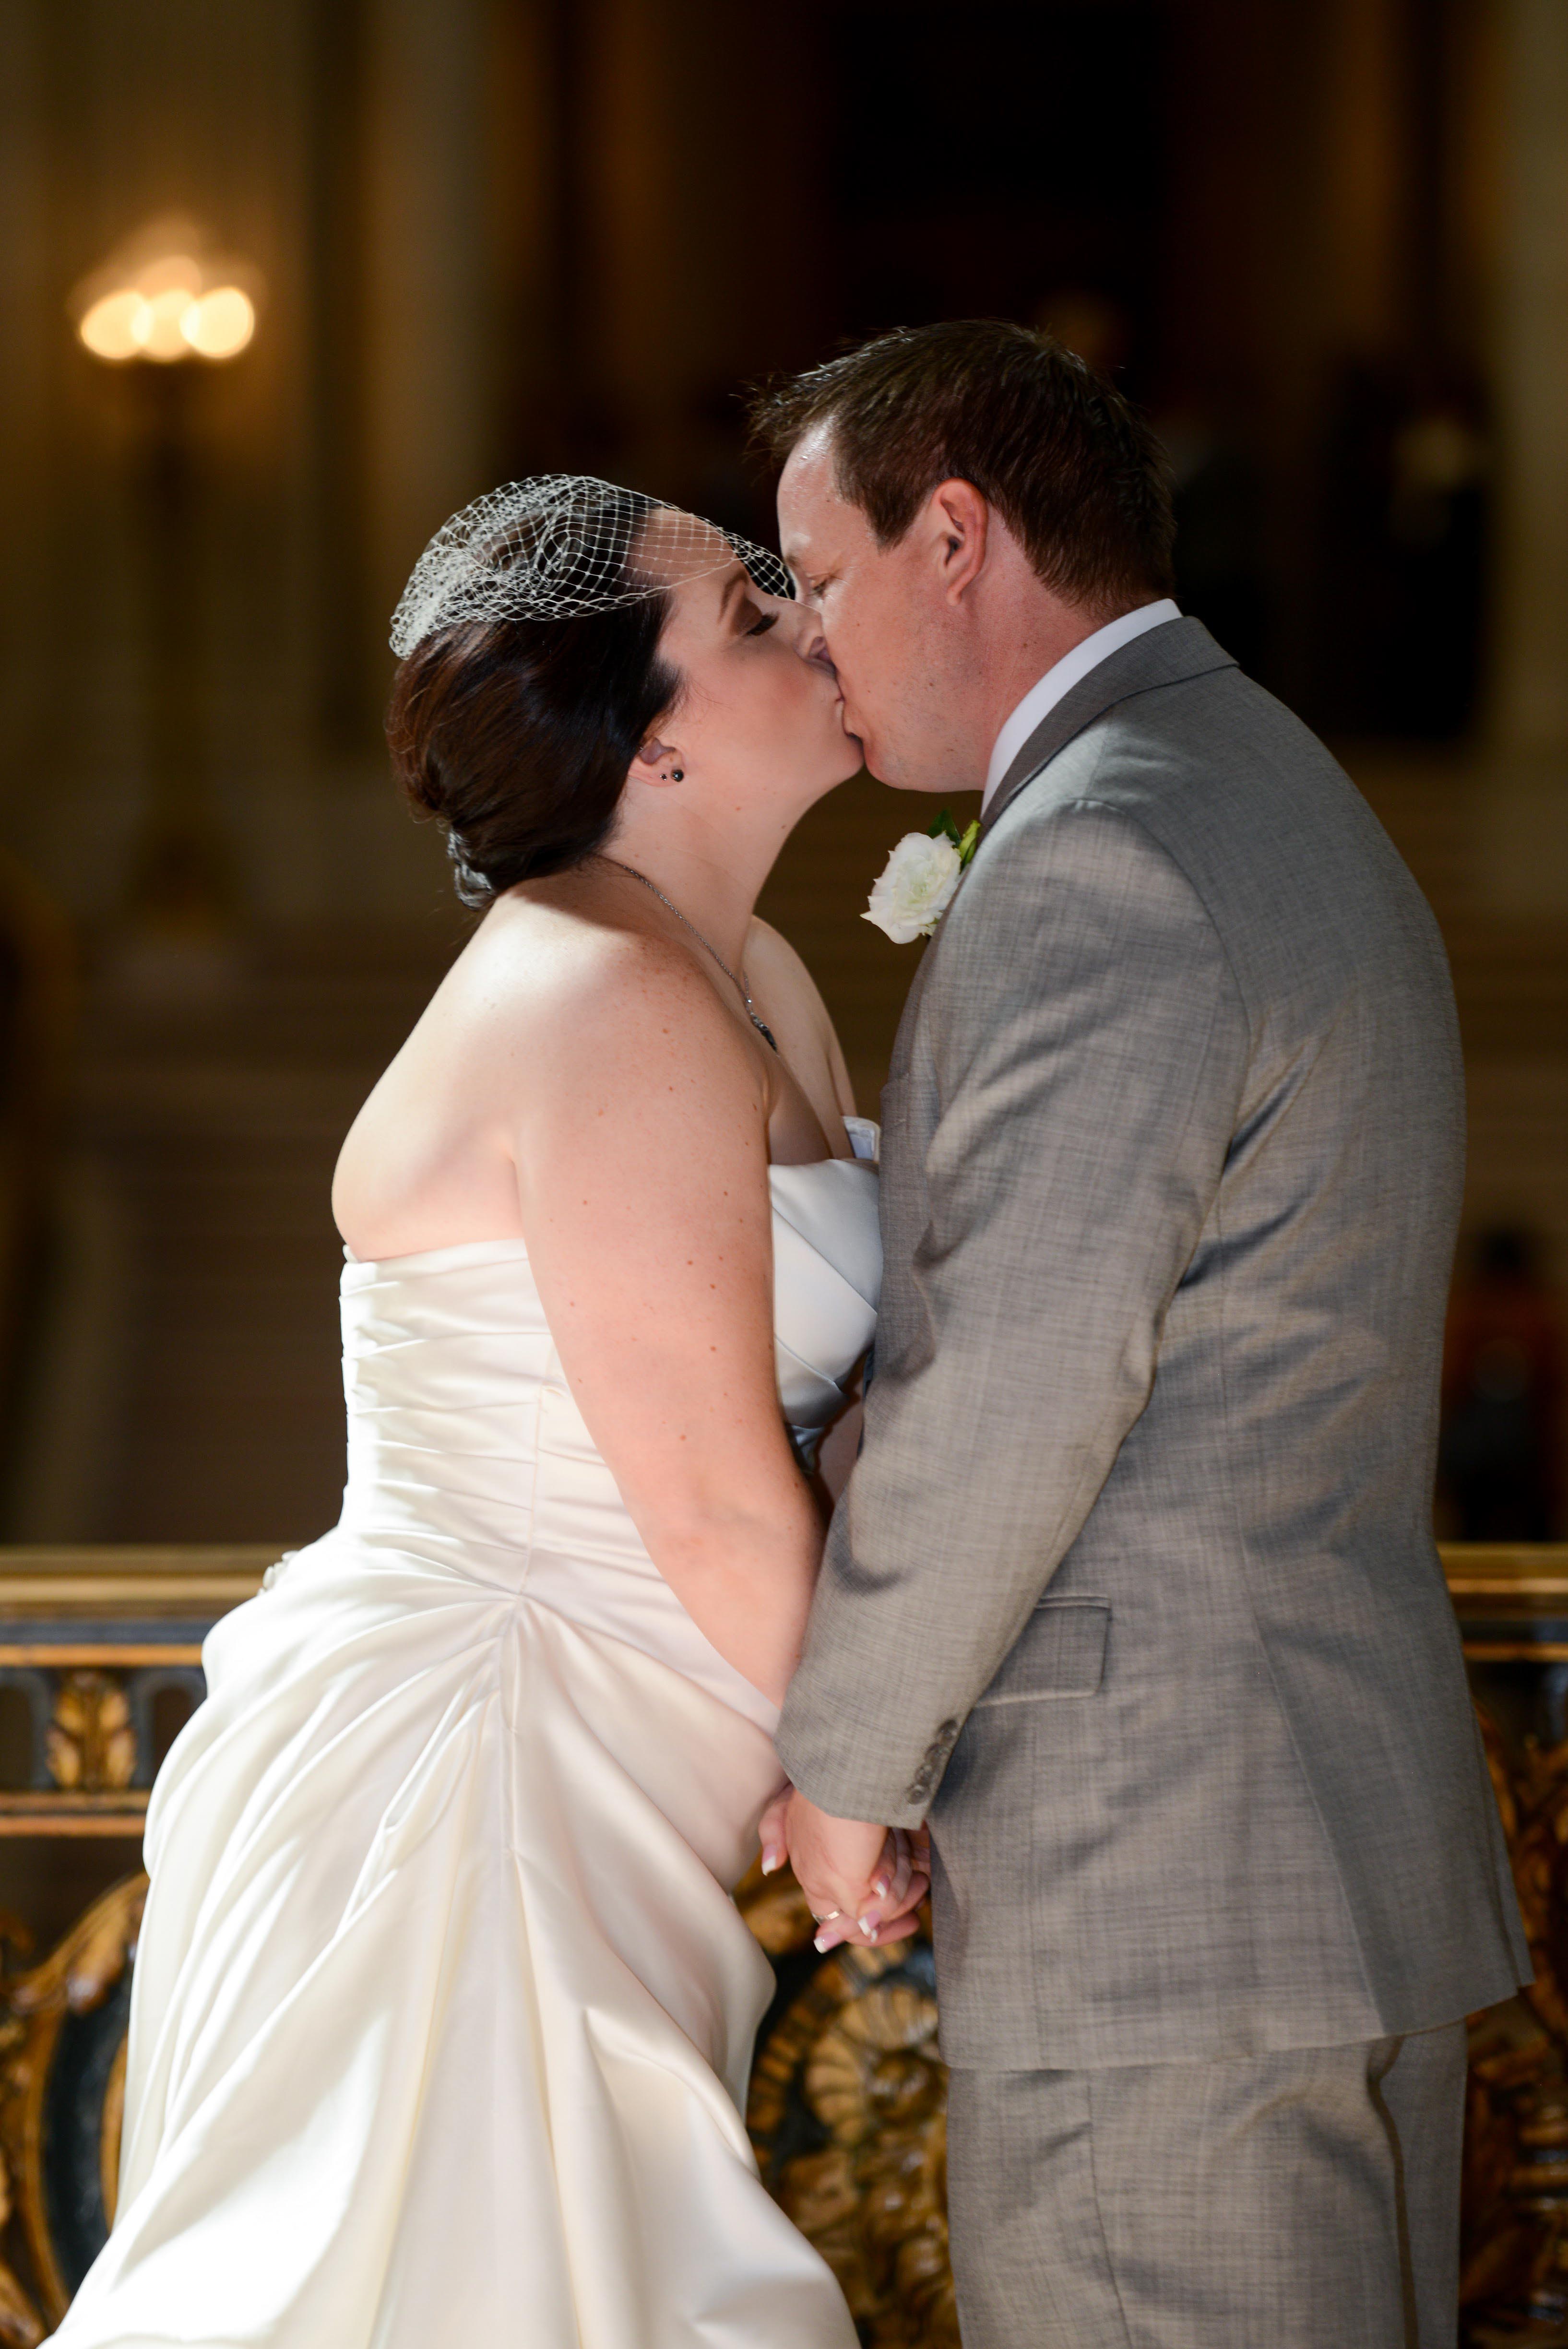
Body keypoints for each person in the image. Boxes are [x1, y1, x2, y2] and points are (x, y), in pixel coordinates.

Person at [48, 478, 924, 2349]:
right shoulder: (605, 998)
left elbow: (830, 1402)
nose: (812, 628)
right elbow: (704, 1503)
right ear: (648, 737)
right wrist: (865, 1783)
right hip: (485, 1786)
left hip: (610, 1774)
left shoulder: (743, 974)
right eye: (754, 617)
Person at [753, 320, 1530, 2349]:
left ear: (953, 535)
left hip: (1160, 1885)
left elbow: (1014, 1382)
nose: (807, 644)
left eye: (816, 581)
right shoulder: (1248, 771)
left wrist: (848, 1758)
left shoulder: (1101, 847)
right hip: (1288, 1849)